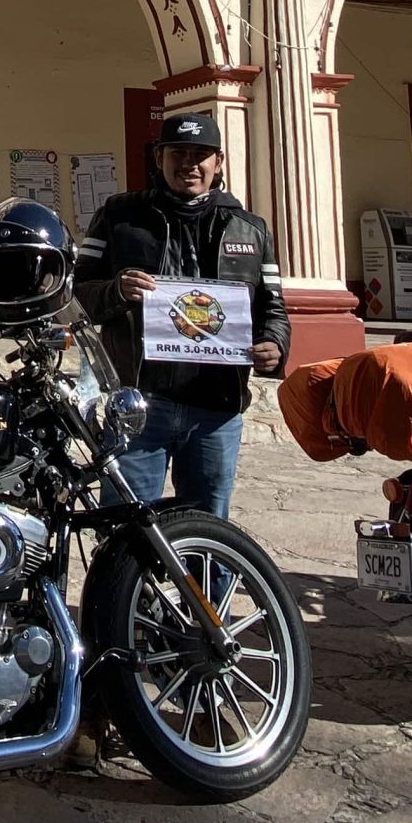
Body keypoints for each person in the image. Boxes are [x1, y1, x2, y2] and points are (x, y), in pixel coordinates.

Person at [73, 111, 287, 518]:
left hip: (216, 410)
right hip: (140, 405)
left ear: (218, 162)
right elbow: (74, 297)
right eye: (178, 153)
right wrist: (115, 291)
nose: (189, 163)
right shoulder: (118, 217)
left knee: (210, 529)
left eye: (200, 154)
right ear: (159, 158)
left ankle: (205, 586)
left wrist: (274, 345)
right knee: (124, 530)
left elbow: (273, 310)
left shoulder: (251, 230)